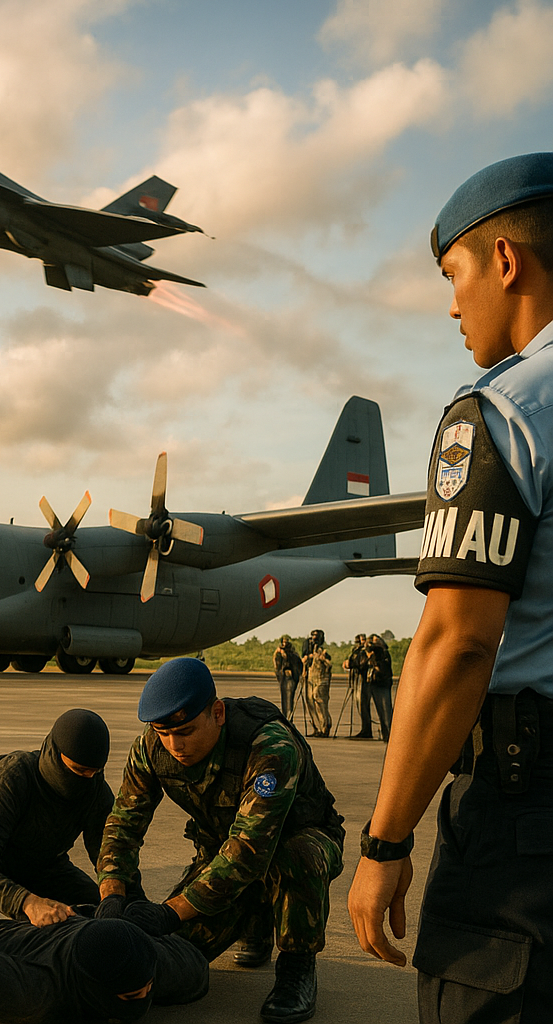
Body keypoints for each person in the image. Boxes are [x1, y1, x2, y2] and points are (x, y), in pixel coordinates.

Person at [347, 153, 553, 1022]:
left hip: (525, 833)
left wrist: (385, 840)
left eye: (452, 274)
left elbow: (458, 640)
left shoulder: (504, 411)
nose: (451, 305)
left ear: (504, 260)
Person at [97, 657, 345, 1023]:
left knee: (296, 855)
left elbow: (249, 850)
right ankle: (255, 921)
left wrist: (169, 912)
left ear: (217, 713)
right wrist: (112, 895)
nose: (174, 745)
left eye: (185, 731)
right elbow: (122, 826)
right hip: (220, 854)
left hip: (293, 843)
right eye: (163, 733)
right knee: (175, 956)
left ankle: (297, 966)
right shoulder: (151, 748)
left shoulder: (269, 746)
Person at [0, 708, 114, 926]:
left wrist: (121, 894)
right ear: (55, 754)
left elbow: (110, 853)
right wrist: (28, 903)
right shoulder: (7, 780)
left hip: (39, 865)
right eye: (80, 770)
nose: (88, 778)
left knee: (100, 913)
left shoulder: (95, 789)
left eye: (95, 772)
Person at [0, 915, 209, 1023]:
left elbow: (195, 965)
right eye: (131, 996)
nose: (145, 997)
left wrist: (130, 921)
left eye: (148, 987)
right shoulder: (33, 992)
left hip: (74, 926)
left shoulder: (152, 964)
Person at [364, 635, 393, 742]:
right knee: (381, 711)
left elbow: (384, 669)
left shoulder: (384, 653)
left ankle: (390, 734)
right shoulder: (374, 653)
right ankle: (385, 734)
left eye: (376, 641)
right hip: (375, 683)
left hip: (383, 683)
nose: (374, 644)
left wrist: (375, 663)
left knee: (386, 710)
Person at [343, 634, 373, 739]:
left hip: (363, 680)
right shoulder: (356, 651)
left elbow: (361, 663)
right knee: (359, 704)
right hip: (356, 679)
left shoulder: (366, 652)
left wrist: (351, 664)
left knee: (363, 704)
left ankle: (367, 730)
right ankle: (365, 729)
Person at [273, 635, 303, 720]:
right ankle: (286, 717)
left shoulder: (293, 654)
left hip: (290, 678)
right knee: (285, 699)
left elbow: (296, 664)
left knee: (289, 699)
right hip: (284, 678)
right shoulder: (280, 653)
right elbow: (277, 665)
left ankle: (288, 718)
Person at [306, 645, 332, 738]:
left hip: (321, 682)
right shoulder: (311, 657)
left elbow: (329, 666)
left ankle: (325, 728)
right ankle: (318, 728)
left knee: (321, 705)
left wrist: (323, 659)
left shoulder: (324, 656)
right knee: (313, 705)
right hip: (312, 681)